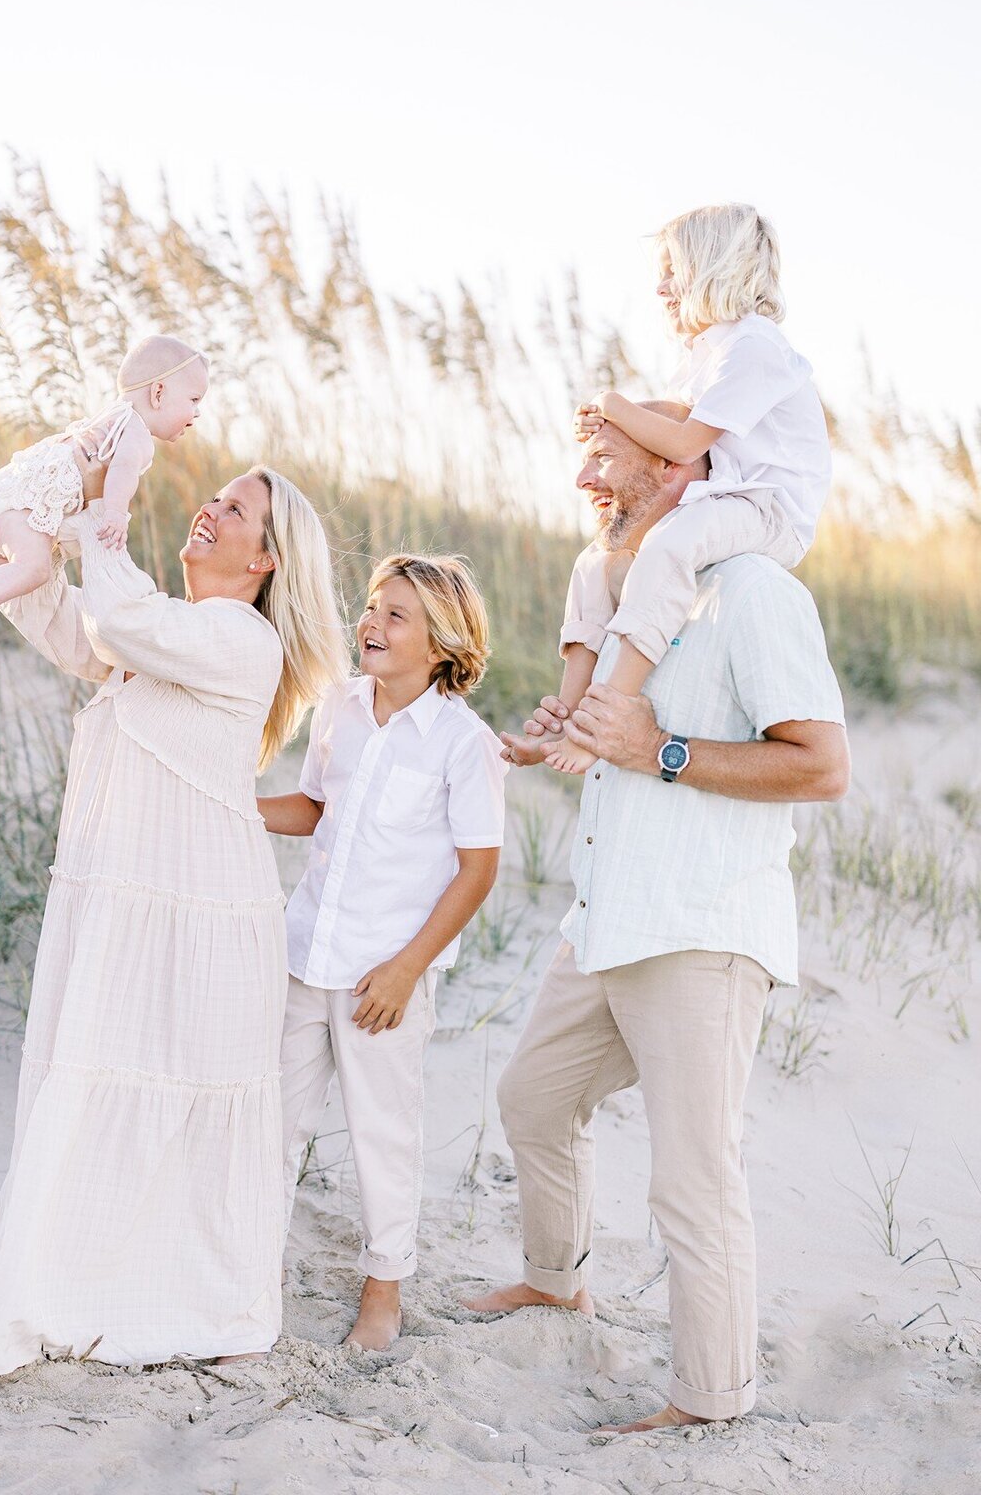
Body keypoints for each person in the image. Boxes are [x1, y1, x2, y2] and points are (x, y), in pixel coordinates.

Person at [469, 416, 850, 1434]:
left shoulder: (757, 592)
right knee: (534, 1101)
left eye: (608, 462)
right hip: (606, 915)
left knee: (692, 1175)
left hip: (701, 925)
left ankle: (711, 1401)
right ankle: (558, 1280)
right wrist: (563, 733)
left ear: (682, 474)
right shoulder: (621, 595)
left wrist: (662, 750)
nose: (584, 477)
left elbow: (821, 765)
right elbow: (611, 737)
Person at [0, 468, 348, 1375]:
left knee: (149, 1081)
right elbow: (68, 622)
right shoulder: (171, 630)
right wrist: (34, 531)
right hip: (131, 903)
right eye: (216, 497)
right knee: (98, 1072)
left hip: (191, 914)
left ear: (267, 558)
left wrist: (106, 526)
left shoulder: (236, 640)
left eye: (235, 511)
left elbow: (118, 621)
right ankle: (78, 1271)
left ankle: (152, 1289)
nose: (210, 510)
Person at [260, 554, 505, 1350]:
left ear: (441, 644)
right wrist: (229, 801)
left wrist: (407, 968)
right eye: (372, 606)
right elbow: (313, 807)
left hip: (382, 977)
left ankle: (383, 1292)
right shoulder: (339, 707)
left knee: (382, 1136)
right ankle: (247, 1267)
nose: (373, 622)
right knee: (271, 1121)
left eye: (397, 615)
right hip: (304, 953)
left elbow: (477, 871)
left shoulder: (463, 746)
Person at [543, 202, 832, 774]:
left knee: (668, 548)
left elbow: (682, 445)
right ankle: (568, 714)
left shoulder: (755, 345)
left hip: (770, 509)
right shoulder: (707, 353)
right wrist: (611, 425)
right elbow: (672, 428)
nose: (660, 287)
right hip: (725, 498)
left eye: (673, 270)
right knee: (594, 560)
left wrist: (615, 404)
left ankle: (608, 711)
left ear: (714, 268)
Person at [0, 335, 207, 643]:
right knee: (35, 568)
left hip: (3, 493)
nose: (198, 412)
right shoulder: (135, 433)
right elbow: (122, 471)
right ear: (158, 393)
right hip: (26, 508)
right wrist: (116, 513)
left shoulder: (107, 417)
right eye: (194, 400)